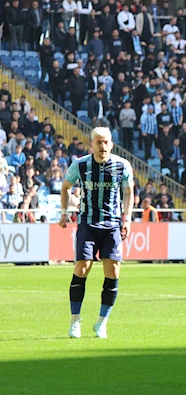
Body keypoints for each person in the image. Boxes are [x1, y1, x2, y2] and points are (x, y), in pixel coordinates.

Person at [60, 127, 134, 339]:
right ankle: (75, 321)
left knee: (113, 272)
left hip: (112, 225)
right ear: (92, 144)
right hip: (87, 223)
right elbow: (65, 186)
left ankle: (102, 322)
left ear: (111, 144)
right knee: (82, 268)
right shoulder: (80, 165)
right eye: (98, 142)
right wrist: (64, 212)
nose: (102, 146)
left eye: (106, 142)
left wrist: (127, 219)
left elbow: (129, 192)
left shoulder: (122, 165)